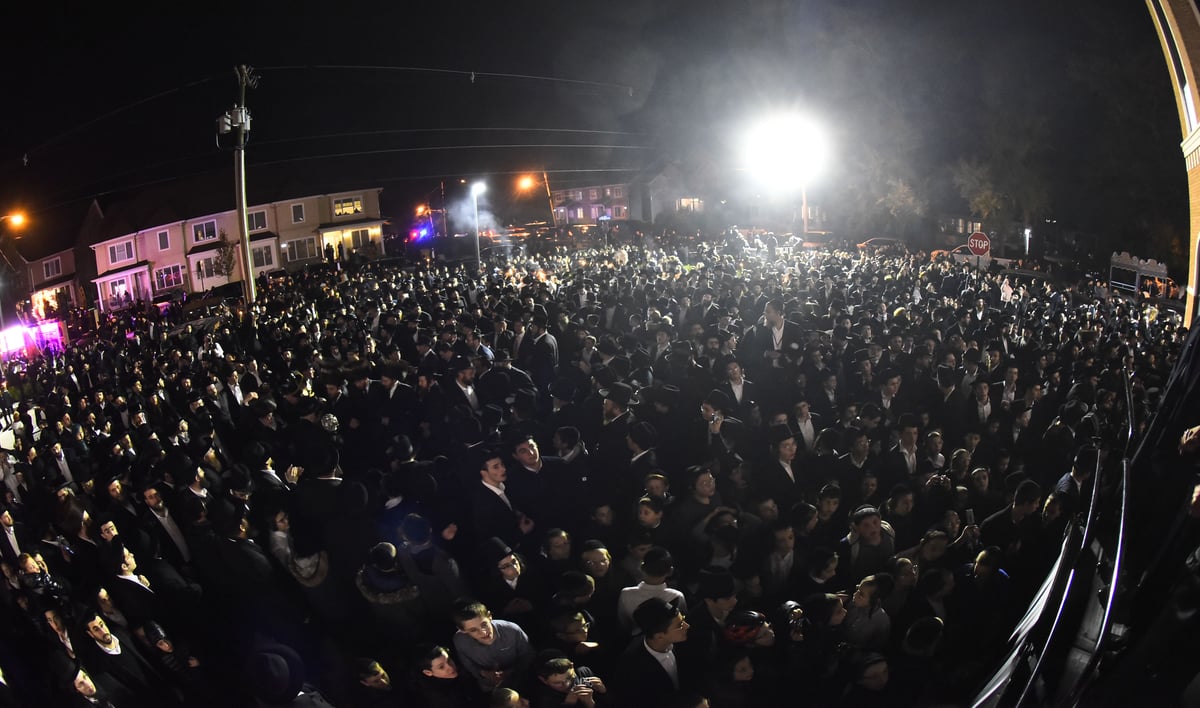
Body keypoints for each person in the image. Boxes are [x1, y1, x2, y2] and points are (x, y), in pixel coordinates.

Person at [612, 598, 690, 708]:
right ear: (659, 636)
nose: (687, 626)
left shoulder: (685, 642)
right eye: (680, 625)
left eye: (684, 619)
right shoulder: (631, 666)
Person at [450, 601, 535, 693]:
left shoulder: (512, 630)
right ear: (462, 630)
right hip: (489, 688)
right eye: (473, 630)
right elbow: (468, 665)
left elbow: (528, 655)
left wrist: (510, 672)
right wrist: (484, 673)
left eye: (484, 624)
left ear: (489, 616)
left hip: (521, 681)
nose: (483, 632)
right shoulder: (460, 641)